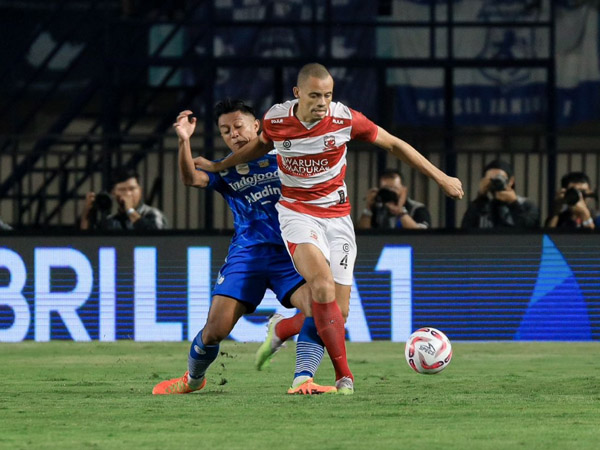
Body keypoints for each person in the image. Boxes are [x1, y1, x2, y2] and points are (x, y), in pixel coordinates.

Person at [194, 63, 464, 394]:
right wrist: (220, 166)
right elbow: (260, 145)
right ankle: (344, 378)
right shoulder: (277, 119)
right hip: (297, 215)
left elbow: (393, 144)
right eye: (314, 95)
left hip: (337, 218)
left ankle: (283, 329)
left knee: (339, 311)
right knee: (321, 286)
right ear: (297, 94)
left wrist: (441, 177)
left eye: (327, 95)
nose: (322, 102)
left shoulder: (345, 119)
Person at [153, 99, 336, 396]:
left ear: (256, 126)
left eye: (238, 126)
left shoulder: (284, 158)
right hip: (247, 255)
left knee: (319, 309)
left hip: (291, 253)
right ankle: (193, 379)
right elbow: (190, 178)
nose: (233, 134)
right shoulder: (225, 170)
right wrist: (184, 141)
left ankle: (304, 379)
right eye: (225, 131)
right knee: (216, 330)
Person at [461, 159, 539, 229]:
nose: (495, 182)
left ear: (511, 181)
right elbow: (466, 229)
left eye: (499, 178)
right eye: (491, 179)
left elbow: (530, 229)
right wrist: (481, 197)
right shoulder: (481, 205)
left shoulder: (526, 205)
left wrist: (514, 203)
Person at [80, 168, 167, 230]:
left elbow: (156, 235)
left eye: (132, 189)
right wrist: (86, 213)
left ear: (140, 190)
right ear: (113, 193)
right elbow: (88, 241)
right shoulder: (111, 221)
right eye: (122, 190)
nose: (128, 194)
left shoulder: (152, 214)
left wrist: (130, 210)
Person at [357, 168, 431, 229]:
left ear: (404, 190)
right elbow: (363, 233)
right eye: (386, 189)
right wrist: (369, 208)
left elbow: (422, 235)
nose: (390, 192)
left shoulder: (417, 209)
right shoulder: (377, 208)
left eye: (394, 189)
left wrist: (400, 212)